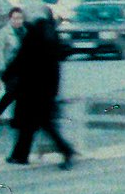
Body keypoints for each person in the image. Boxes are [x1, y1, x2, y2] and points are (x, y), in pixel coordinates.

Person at [5, 17, 75, 169]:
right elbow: (56, 70)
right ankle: (19, 155)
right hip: (45, 93)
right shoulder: (52, 42)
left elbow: (19, 61)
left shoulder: (32, 40)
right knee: (34, 125)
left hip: (29, 91)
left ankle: (66, 150)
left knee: (34, 125)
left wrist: (6, 74)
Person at [0, 7, 26, 125]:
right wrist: (1, 68)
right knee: (12, 93)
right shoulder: (5, 32)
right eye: (15, 18)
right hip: (9, 68)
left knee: (20, 93)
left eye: (20, 18)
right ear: (10, 19)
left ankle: (17, 118)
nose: (18, 21)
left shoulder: (24, 32)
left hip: (22, 68)